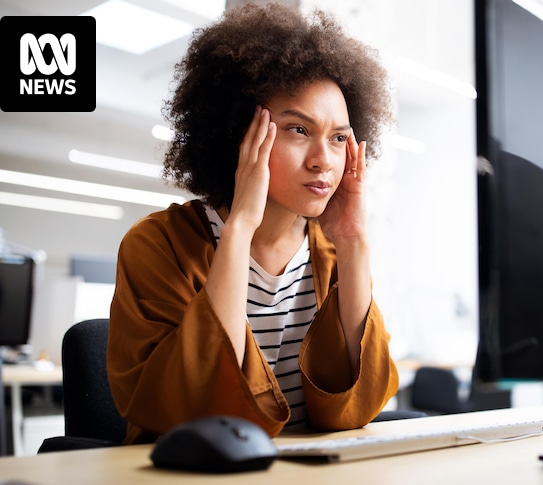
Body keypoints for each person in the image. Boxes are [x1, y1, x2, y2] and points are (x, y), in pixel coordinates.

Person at [107, 2, 398, 444]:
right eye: (299, 130)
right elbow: (196, 411)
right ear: (238, 133)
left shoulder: (332, 251)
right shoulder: (157, 245)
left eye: (339, 138)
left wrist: (355, 243)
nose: (324, 160)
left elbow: (358, 404)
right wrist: (240, 225)